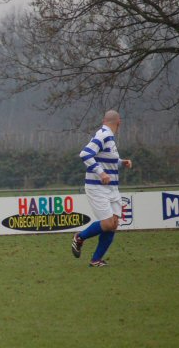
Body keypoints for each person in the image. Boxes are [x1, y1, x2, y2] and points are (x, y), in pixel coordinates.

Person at [72, 110, 132, 267]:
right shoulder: (103, 135)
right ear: (119, 123)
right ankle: (80, 237)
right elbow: (85, 154)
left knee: (113, 224)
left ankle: (95, 260)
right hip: (97, 187)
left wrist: (121, 162)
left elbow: (108, 158)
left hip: (111, 188)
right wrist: (101, 172)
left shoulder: (109, 139)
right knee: (106, 224)